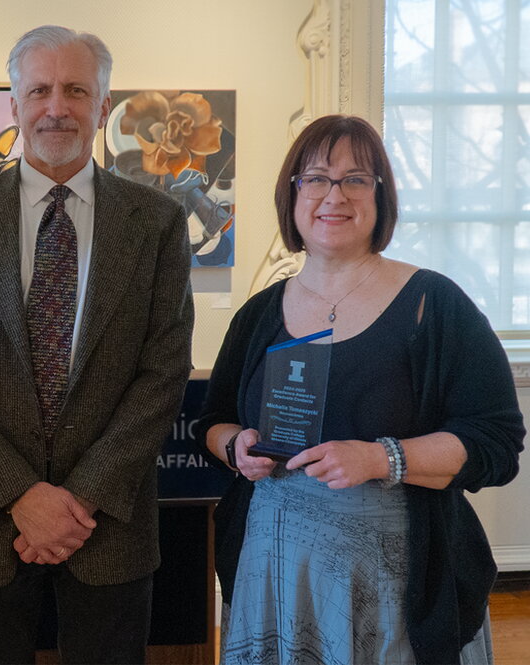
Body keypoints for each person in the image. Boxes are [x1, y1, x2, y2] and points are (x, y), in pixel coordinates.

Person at [0, 25, 193, 665]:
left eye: (75, 90)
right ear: (15, 105)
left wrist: (79, 495)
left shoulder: (157, 221)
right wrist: (21, 496)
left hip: (109, 520)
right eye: (39, 90)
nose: (56, 106)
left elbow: (162, 372)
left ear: (104, 107)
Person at [196, 114, 524, 665]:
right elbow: (214, 422)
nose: (334, 195)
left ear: (381, 196)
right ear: (293, 194)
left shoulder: (432, 304)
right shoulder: (259, 315)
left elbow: (495, 442)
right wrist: (236, 447)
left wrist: (381, 458)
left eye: (355, 179)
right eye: (317, 178)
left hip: (396, 582)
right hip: (275, 573)